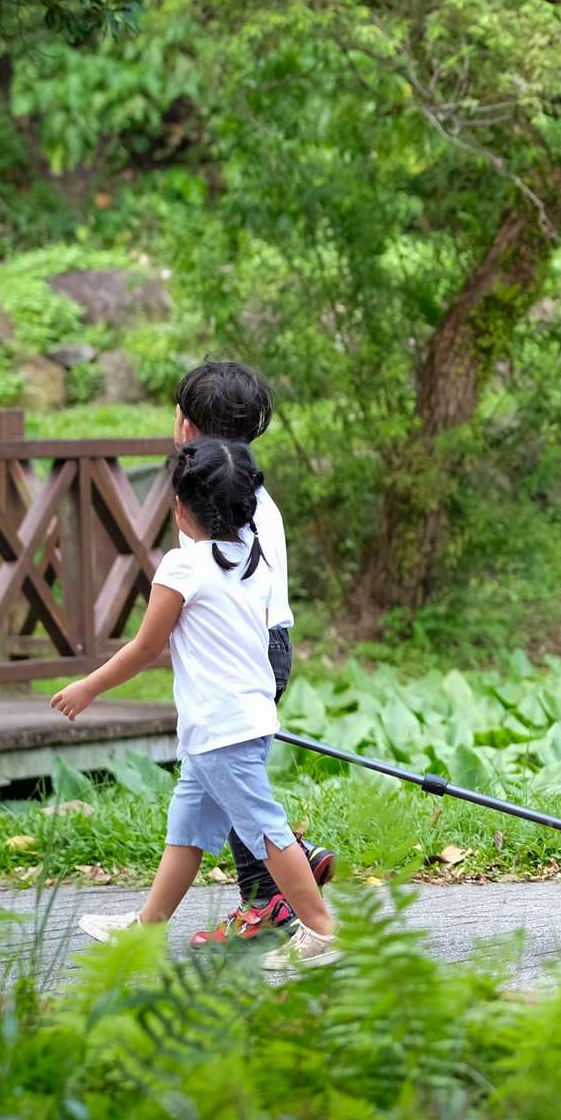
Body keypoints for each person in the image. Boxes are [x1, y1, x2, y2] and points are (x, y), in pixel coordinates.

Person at [60, 438, 342, 973]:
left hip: (220, 729)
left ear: (181, 508)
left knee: (265, 831)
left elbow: (146, 647)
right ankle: (146, 927)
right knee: (188, 829)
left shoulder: (182, 567)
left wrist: (88, 688)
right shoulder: (252, 559)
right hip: (243, 720)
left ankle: (323, 932)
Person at [169, 361, 334, 948]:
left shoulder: (224, 500)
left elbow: (224, 596)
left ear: (187, 427)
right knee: (222, 775)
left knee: (228, 769)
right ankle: (274, 884)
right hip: (265, 643)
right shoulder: (241, 489)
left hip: (250, 646)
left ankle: (276, 893)